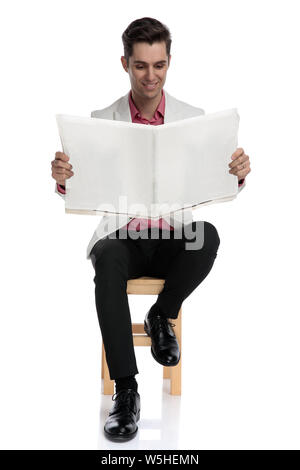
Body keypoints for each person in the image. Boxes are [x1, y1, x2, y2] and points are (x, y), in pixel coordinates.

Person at [51, 17, 251, 442]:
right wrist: (65, 178)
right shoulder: (100, 120)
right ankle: (126, 392)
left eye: (159, 65)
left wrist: (236, 174)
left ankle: (162, 313)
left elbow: (214, 183)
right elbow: (82, 188)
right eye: (141, 66)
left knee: (208, 235)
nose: (150, 76)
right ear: (125, 63)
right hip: (122, 234)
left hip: (171, 234)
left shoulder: (192, 119)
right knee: (106, 260)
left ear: (169, 63)